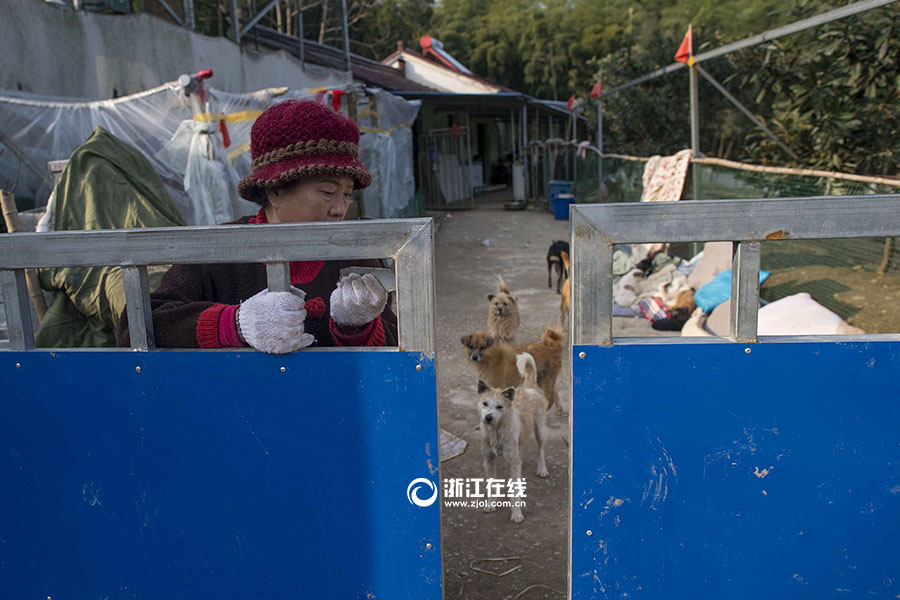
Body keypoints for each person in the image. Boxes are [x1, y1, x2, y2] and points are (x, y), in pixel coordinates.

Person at [117, 100, 397, 353]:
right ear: (274, 191)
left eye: (347, 194)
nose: (339, 209)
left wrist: (358, 327)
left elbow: (400, 347)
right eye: (327, 191)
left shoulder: (355, 256)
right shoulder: (217, 253)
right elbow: (137, 328)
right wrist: (233, 324)